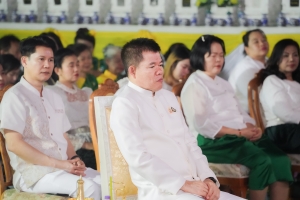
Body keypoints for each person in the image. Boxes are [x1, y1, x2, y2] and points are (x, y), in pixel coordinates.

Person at [110, 38, 244, 200]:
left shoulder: (168, 96)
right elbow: (138, 157)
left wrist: (208, 178)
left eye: (160, 64)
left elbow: (189, 142)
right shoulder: (125, 102)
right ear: (132, 71)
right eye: (152, 66)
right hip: (163, 190)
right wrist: (182, 184)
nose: (160, 71)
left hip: (195, 184)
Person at [181, 35, 293, 200]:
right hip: (212, 142)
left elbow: (240, 112)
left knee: (280, 159)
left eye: (221, 55)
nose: (218, 59)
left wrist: (250, 126)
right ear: (200, 57)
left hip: (238, 136)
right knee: (261, 160)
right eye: (212, 55)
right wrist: (239, 133)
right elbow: (203, 125)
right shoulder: (195, 84)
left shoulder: (224, 83)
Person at [0, 36, 101, 199]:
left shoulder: (53, 96)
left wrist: (74, 158)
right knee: (89, 188)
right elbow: (14, 144)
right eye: (41, 59)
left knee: (108, 182)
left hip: (62, 167)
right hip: (33, 173)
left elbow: (63, 135)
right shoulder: (15, 96)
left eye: (51, 60)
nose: (47, 65)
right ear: (24, 61)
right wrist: (60, 164)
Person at [47, 48, 96, 169]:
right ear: (58, 70)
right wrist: (86, 145)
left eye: (77, 65)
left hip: (93, 141)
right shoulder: (52, 93)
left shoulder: (87, 92)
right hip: (72, 146)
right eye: (71, 65)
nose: (76, 69)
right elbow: (54, 130)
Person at [259, 39, 300, 153]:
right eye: (286, 55)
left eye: (295, 55)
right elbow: (283, 113)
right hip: (281, 131)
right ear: (277, 59)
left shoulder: (296, 82)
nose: (291, 59)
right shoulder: (272, 81)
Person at [228, 29, 269, 112]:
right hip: (245, 116)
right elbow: (255, 97)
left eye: (264, 40)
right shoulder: (244, 68)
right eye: (256, 42)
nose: (262, 43)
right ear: (246, 49)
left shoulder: (269, 62)